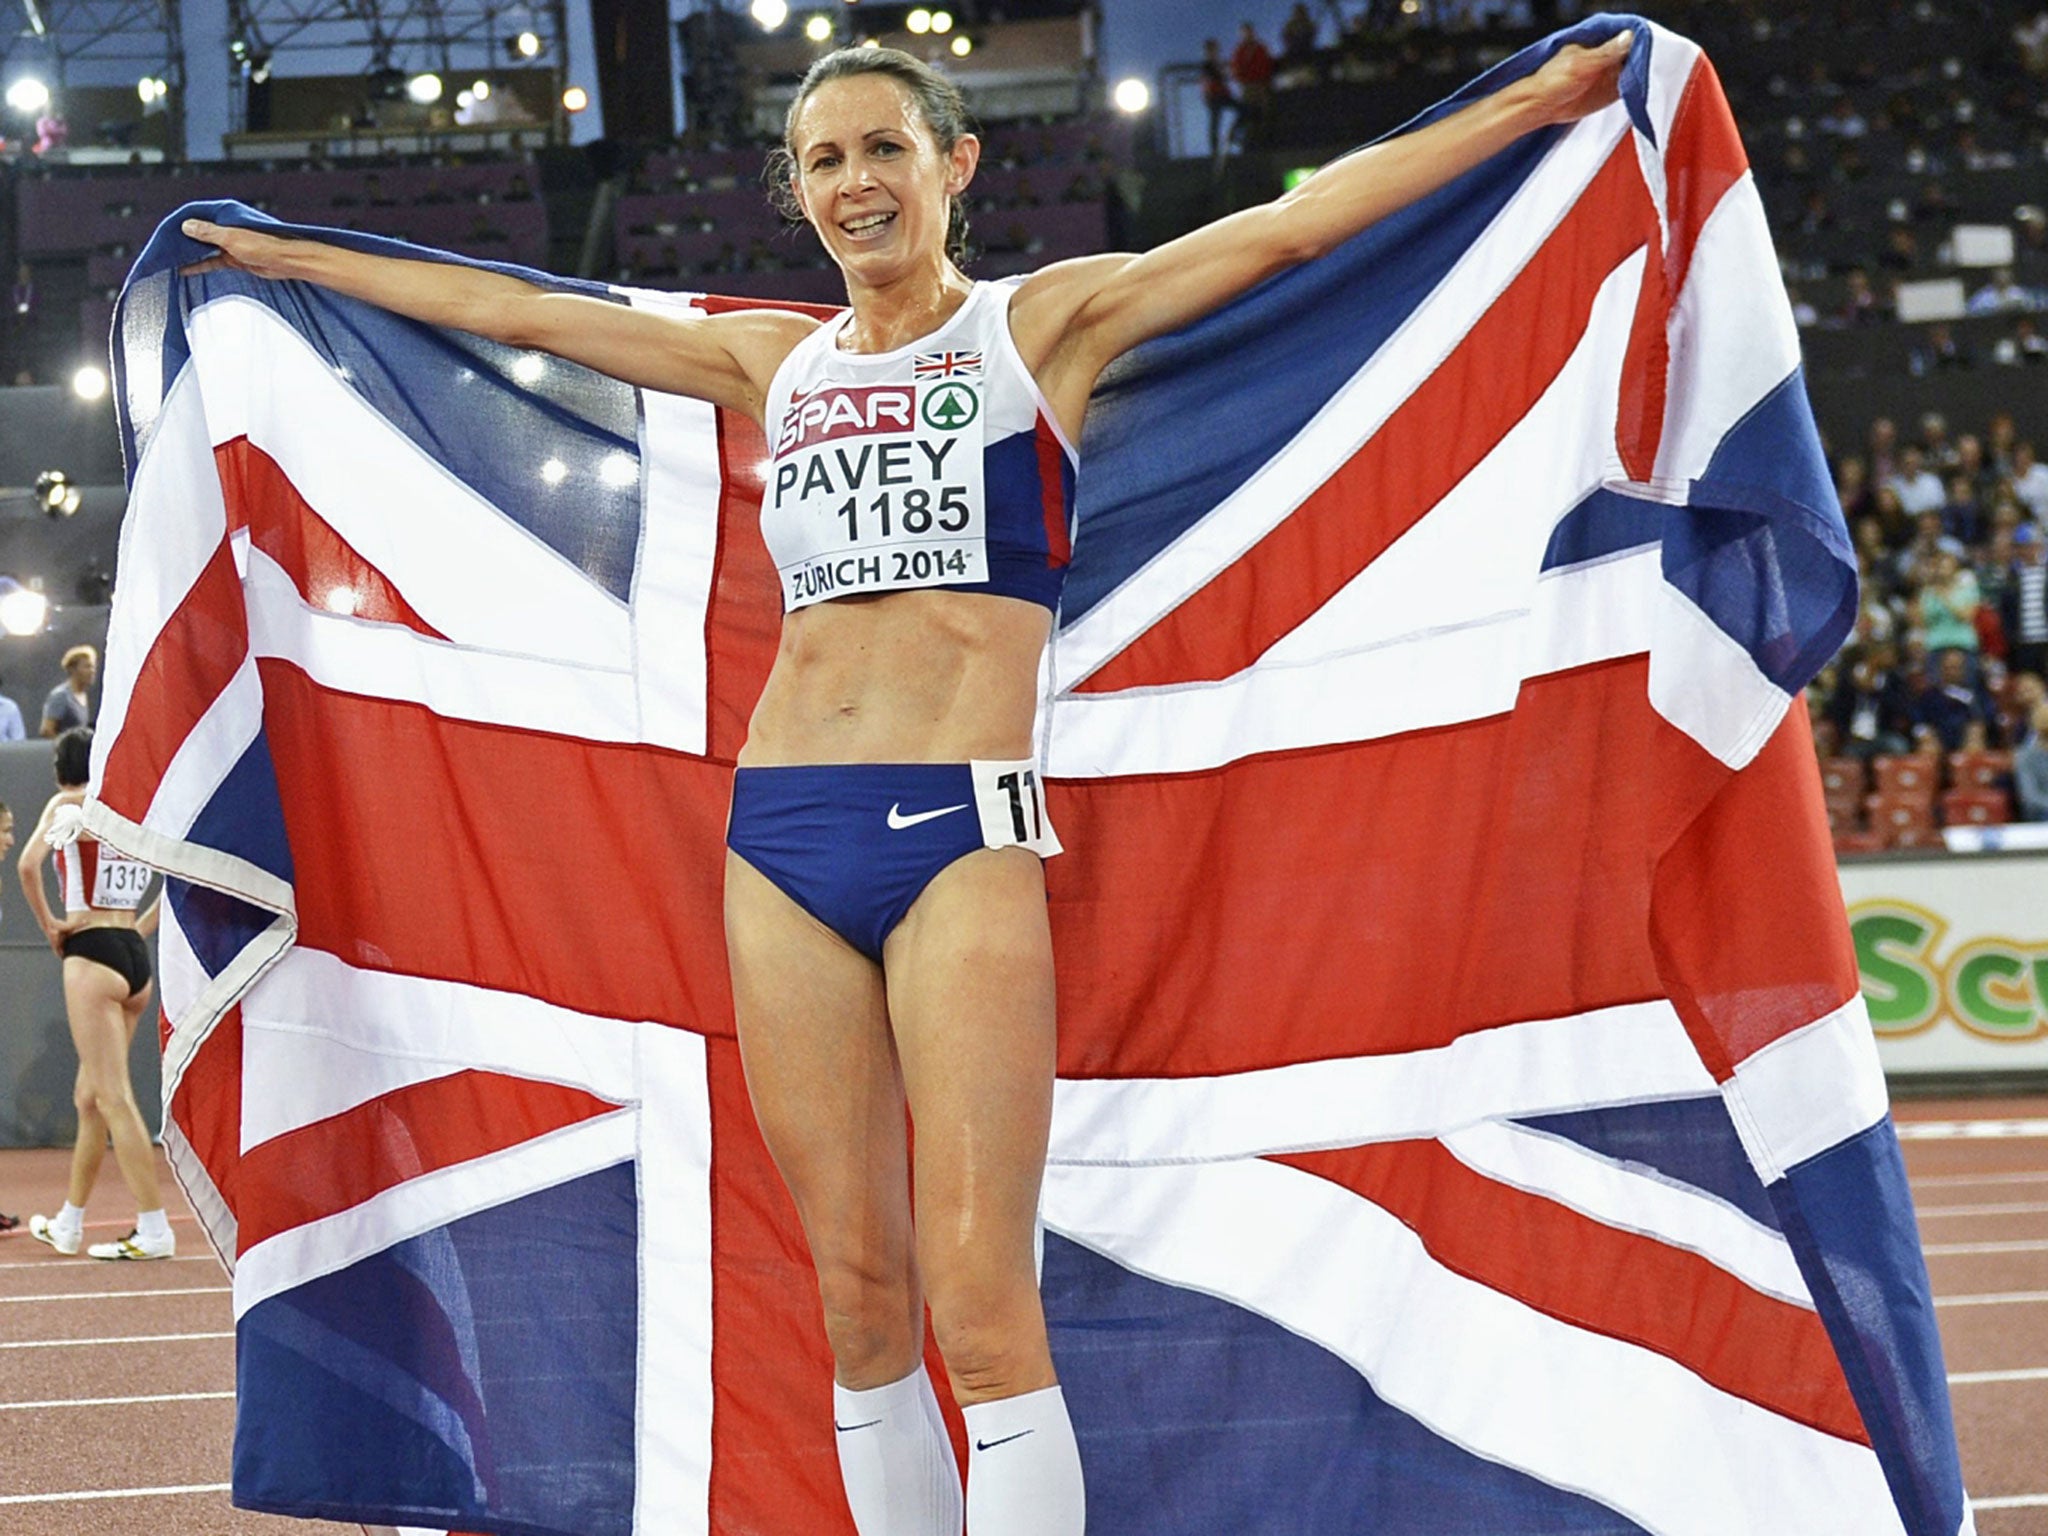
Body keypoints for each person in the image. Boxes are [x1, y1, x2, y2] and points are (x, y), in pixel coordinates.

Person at [179, 31, 1632, 1534]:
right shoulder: (772, 363)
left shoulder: (1039, 331)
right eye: (823, 160)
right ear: (798, 193)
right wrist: (295, 263)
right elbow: (513, 309)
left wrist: (1531, 104)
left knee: (981, 1299)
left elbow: (1295, 226)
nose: (855, 183)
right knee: (861, 1303)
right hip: (781, 841)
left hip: (960, 840)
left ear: (956, 165)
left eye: (883, 149)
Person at [19, 729, 171, 1262]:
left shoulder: (68, 803)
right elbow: (175, 879)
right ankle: (69, 1223)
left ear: (61, 767)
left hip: (90, 950)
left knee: (113, 1097)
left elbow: (27, 865)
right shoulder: (132, 811)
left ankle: (154, 1230)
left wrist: (53, 928)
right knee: (90, 1099)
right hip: (133, 955)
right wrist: (139, 930)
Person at [40, 644, 95, 738]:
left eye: (92, 667)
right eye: (87, 667)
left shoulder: (83, 696)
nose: (92, 671)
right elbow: (47, 730)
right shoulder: (61, 696)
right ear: (73, 669)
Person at [1199, 38, 1238, 159]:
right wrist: (1206, 95)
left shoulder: (1217, 63)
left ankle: (1232, 134)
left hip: (1223, 95)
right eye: (1212, 49)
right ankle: (1214, 151)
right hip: (1213, 96)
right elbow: (1207, 80)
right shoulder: (1207, 65)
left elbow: (1224, 76)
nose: (1215, 52)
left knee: (1243, 109)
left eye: (1215, 49)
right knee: (1215, 122)